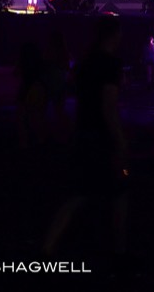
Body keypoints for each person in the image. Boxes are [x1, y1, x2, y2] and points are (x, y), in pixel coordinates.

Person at [43, 17, 130, 269]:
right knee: (119, 192)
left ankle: (48, 246)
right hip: (103, 139)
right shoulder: (111, 65)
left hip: (84, 133)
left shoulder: (85, 63)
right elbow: (109, 105)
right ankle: (119, 252)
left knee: (78, 193)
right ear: (114, 35)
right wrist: (120, 140)